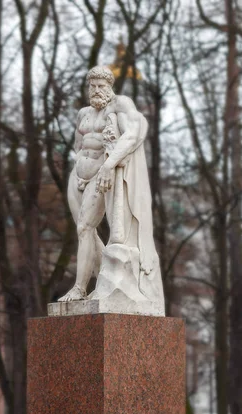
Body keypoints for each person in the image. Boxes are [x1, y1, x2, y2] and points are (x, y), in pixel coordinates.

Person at [59, 66, 164, 316]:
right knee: (85, 232)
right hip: (78, 178)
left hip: (101, 174)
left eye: (100, 85)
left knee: (85, 227)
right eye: (92, 85)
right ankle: (97, 282)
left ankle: (79, 288)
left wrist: (108, 164)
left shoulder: (120, 105)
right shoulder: (84, 113)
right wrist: (79, 168)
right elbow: (78, 145)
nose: (96, 90)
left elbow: (132, 135)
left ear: (110, 86)